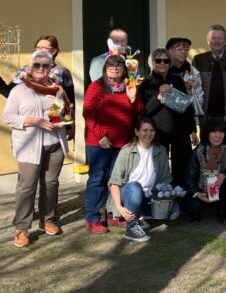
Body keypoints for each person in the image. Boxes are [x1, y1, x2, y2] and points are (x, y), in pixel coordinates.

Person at [3, 49, 71, 247]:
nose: (41, 68)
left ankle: (47, 220)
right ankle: (22, 229)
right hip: (29, 146)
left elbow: (62, 114)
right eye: (37, 65)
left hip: (54, 145)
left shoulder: (57, 90)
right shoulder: (19, 90)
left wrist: (62, 121)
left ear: (51, 68)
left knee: (51, 184)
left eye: (45, 65)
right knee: (27, 187)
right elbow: (7, 117)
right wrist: (29, 120)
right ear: (30, 68)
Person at [82, 54, 144, 234]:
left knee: (116, 180)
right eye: (111, 65)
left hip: (122, 141)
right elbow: (88, 114)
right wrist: (100, 135)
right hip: (100, 142)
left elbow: (139, 111)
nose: (115, 68)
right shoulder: (97, 86)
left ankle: (113, 214)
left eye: (118, 65)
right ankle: (93, 217)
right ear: (105, 68)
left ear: (124, 69)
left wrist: (133, 97)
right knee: (97, 179)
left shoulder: (129, 86)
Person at [138, 47, 198, 187]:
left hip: (181, 130)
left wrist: (193, 129)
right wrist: (158, 97)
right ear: (152, 62)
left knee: (183, 165)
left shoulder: (177, 81)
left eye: (166, 60)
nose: (162, 63)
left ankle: (181, 198)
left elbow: (187, 106)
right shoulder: (146, 83)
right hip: (159, 132)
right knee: (159, 167)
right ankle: (161, 199)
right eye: (158, 60)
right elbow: (144, 111)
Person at [107, 116, 173, 242]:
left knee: (174, 211)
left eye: (151, 130)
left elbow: (165, 179)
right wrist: (119, 207)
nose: (148, 134)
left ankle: (141, 215)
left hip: (150, 196)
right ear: (137, 132)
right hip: (129, 193)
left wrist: (164, 198)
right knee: (135, 187)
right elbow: (114, 183)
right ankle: (131, 227)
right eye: (145, 130)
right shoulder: (126, 151)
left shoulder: (161, 150)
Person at [186, 118, 226, 224]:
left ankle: (222, 212)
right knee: (194, 208)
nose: (218, 135)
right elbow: (190, 178)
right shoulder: (198, 151)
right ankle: (197, 211)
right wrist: (197, 193)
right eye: (213, 131)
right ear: (207, 133)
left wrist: (224, 174)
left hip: (220, 189)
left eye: (221, 132)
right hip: (201, 189)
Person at [191, 24, 226, 122]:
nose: (217, 41)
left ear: (225, 40)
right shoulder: (198, 60)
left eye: (220, 38)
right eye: (213, 38)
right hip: (205, 116)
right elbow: (193, 90)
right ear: (208, 41)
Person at [14, 35, 75, 103]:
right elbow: (11, 94)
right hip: (26, 112)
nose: (39, 50)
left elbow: (70, 101)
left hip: (53, 111)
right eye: (37, 47)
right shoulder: (24, 70)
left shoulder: (62, 71)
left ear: (54, 51)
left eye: (43, 48)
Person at [166, 37, 205, 124]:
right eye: (179, 49)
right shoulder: (162, 68)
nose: (184, 52)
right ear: (169, 51)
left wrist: (197, 87)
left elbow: (199, 103)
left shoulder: (193, 72)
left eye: (186, 49)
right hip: (167, 119)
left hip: (186, 121)